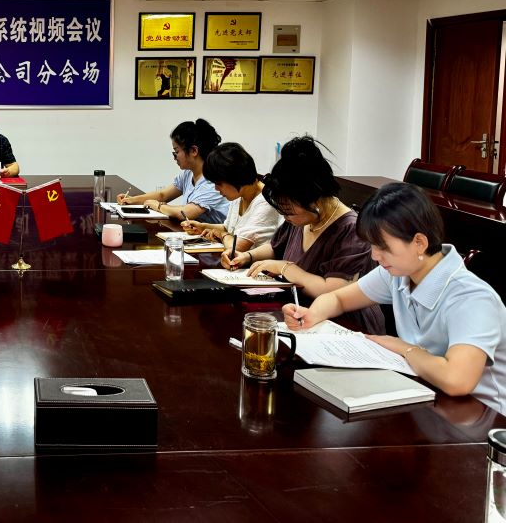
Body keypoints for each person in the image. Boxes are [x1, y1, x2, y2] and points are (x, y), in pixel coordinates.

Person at [284, 182, 506, 414]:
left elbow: (457, 380)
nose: (375, 256)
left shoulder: (472, 299)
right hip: (425, 395)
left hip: (481, 417)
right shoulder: (399, 273)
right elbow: (338, 299)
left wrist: (404, 349)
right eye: (372, 245)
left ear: (419, 243)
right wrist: (311, 315)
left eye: (382, 247)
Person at [230, 136, 384, 334]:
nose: (286, 217)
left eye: (289, 212)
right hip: (301, 312)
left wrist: (285, 268)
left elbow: (333, 291)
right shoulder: (301, 218)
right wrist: (247, 256)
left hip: (346, 326)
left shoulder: (352, 230)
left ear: (315, 200)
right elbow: (275, 247)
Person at [180, 142, 281, 268]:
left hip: (257, 269)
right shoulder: (239, 194)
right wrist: (202, 226)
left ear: (235, 178)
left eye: (218, 184)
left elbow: (236, 247)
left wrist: (223, 235)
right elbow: (229, 228)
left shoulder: (266, 201)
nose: (216, 189)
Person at [118, 118, 229, 224]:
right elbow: (163, 195)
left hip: (212, 236)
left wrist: (158, 206)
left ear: (193, 151)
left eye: (176, 151)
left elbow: (185, 213)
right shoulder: (188, 173)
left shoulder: (212, 181)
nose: (175, 157)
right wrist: (132, 200)